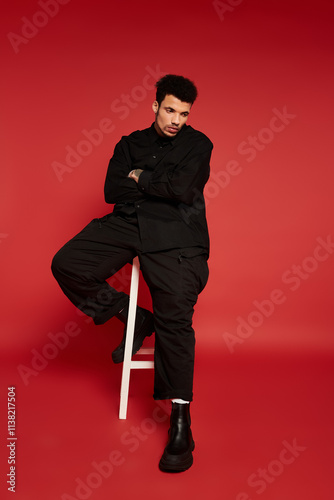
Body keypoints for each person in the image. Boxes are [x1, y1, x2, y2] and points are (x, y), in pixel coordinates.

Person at [51, 74, 213, 472]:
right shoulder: (129, 144)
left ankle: (180, 420)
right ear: (155, 106)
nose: (176, 119)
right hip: (127, 223)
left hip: (177, 234)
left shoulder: (198, 144)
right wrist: (154, 183)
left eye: (184, 113)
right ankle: (134, 315)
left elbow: (180, 190)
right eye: (170, 110)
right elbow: (112, 189)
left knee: (176, 320)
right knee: (67, 264)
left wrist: (140, 178)